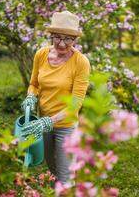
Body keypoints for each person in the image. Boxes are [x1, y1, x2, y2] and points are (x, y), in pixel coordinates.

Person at [20, 10, 90, 183]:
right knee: (52, 167)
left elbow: (76, 102)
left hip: (65, 125)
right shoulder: (41, 55)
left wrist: (50, 121)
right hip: (43, 122)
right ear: (51, 35)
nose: (62, 43)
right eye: (58, 37)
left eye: (68, 38)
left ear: (75, 40)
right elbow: (34, 84)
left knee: (65, 175)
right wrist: (31, 96)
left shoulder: (81, 62)